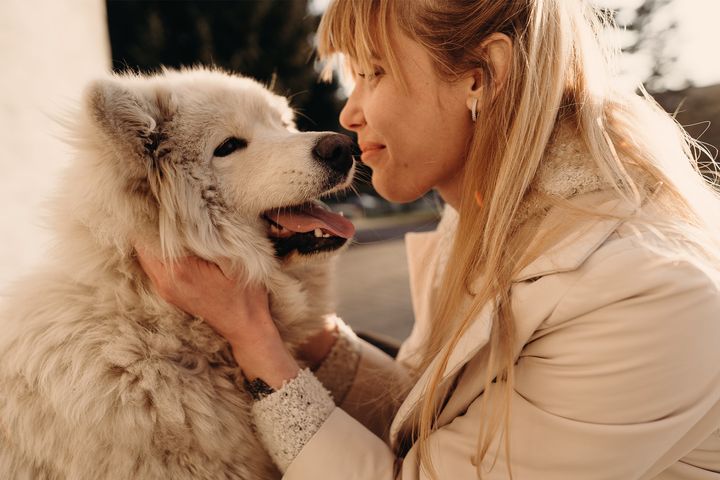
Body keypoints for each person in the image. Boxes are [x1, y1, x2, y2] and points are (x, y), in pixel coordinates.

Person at [137, 0, 720, 478]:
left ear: (481, 77)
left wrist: (255, 341)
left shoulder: (645, 292)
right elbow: (429, 420)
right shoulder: (484, 220)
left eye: (373, 72)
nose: (349, 113)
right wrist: (311, 340)